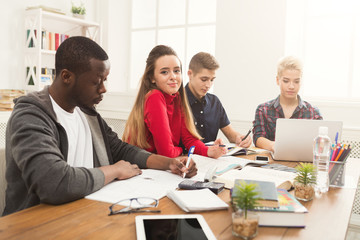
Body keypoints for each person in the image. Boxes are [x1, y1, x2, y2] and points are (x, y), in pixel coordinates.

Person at [3, 37, 197, 216]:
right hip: (36, 223)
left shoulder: (86, 112)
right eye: (96, 82)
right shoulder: (30, 116)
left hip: (85, 212)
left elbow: (120, 149)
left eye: (105, 80)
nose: (104, 89)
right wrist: (114, 170)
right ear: (66, 77)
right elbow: (55, 183)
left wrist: (169, 163)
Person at [122, 45, 226, 158]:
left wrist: (209, 150)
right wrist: (183, 149)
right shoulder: (154, 97)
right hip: (141, 169)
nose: (173, 76)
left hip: (159, 166)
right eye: (164, 72)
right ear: (152, 77)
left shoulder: (177, 98)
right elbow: (167, 153)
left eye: (176, 71)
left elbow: (189, 139)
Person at [252, 56, 323, 152]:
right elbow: (258, 137)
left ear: (301, 82)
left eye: (296, 81)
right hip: (271, 163)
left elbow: (320, 143)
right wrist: (275, 146)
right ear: (278, 80)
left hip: (302, 164)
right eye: (286, 81)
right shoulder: (263, 109)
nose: (291, 86)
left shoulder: (313, 112)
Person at [185, 52, 252, 147]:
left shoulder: (214, 102)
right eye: (204, 79)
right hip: (185, 159)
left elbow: (231, 135)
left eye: (212, 80)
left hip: (211, 160)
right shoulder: (176, 101)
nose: (208, 85)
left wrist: (240, 138)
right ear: (190, 74)